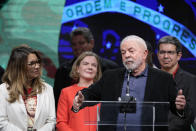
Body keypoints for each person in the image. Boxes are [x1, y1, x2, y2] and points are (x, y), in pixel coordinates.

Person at [72, 35, 193, 131]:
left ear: (145, 54)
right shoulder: (111, 76)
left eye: (131, 51)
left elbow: (181, 110)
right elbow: (90, 93)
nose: (127, 55)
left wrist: (181, 108)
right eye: (123, 52)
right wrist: (80, 97)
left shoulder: (163, 78)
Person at [54, 27, 119, 109]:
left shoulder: (110, 68)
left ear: (91, 43)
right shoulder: (62, 71)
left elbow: (114, 98)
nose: (77, 47)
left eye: (81, 43)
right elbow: (57, 102)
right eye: (74, 44)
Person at [0, 45, 56, 131]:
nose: (37, 66)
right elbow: (2, 121)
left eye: (38, 62)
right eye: (32, 63)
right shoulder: (3, 90)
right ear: (19, 66)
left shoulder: (47, 89)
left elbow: (51, 121)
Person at [157, 36, 196, 131]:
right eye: (162, 52)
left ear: (179, 56)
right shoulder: (151, 78)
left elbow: (192, 116)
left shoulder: (191, 80)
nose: (165, 56)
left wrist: (182, 108)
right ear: (158, 54)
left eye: (170, 52)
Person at [56, 51, 102, 131]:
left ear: (97, 71)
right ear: (77, 68)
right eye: (86, 64)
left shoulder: (103, 92)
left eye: (94, 65)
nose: (90, 67)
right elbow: (61, 122)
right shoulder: (66, 92)